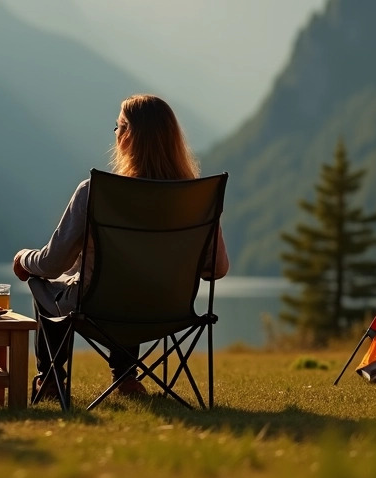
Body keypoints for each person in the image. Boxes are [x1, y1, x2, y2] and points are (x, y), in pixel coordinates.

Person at [13, 93, 229, 399]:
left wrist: (24, 259)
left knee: (42, 282)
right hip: (168, 311)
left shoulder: (96, 192)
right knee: (134, 285)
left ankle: (49, 380)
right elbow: (217, 269)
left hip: (98, 311)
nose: (115, 133)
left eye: (118, 126)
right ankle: (127, 378)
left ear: (128, 136)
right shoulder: (195, 200)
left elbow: (52, 264)